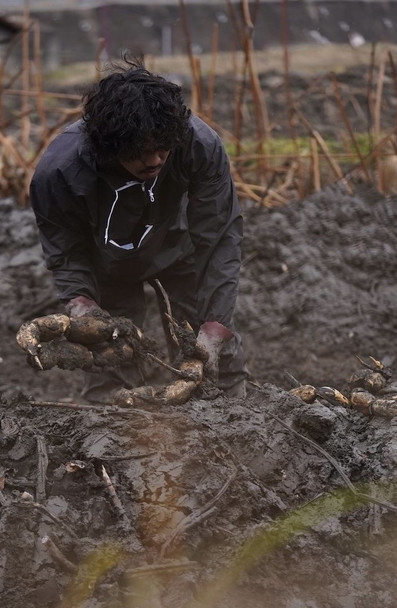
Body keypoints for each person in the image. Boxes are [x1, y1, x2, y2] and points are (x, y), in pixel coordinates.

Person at [30, 55, 246, 402]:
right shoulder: (60, 172)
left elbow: (219, 236)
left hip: (179, 250)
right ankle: (109, 439)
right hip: (107, 266)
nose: (155, 160)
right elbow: (65, 248)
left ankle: (234, 424)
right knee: (110, 369)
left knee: (213, 359)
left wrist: (216, 323)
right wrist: (82, 302)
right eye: (141, 152)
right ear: (109, 145)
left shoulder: (197, 145)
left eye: (163, 148)